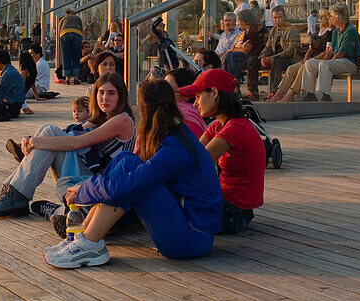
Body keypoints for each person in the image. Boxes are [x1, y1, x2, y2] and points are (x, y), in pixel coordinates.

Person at [44, 79, 221, 268]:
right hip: (188, 231)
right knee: (126, 160)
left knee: (129, 178)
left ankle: (89, 243)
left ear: (144, 110)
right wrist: (88, 187)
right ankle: (84, 236)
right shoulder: (176, 135)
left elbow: (132, 184)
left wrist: (84, 190)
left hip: (190, 240)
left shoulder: (176, 148)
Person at [0, 73, 135, 218]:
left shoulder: (122, 120)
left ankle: (44, 206)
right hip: (89, 173)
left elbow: (77, 143)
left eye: (111, 93)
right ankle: (14, 193)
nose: (105, 98)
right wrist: (31, 139)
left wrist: (34, 142)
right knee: (48, 130)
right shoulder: (101, 118)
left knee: (50, 138)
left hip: (103, 184)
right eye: (101, 93)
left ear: (120, 96)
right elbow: (69, 132)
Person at [180, 69, 265, 234]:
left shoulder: (235, 129)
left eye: (197, 97)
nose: (195, 104)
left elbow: (195, 163)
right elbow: (191, 153)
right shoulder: (219, 125)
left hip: (234, 213)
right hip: (229, 205)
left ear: (213, 93)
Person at [299, 1, 360, 102]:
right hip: (339, 61)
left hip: (350, 62)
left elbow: (341, 53)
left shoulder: (350, 31)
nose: (330, 18)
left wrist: (327, 62)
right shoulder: (336, 31)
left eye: (332, 16)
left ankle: (325, 95)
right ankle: (309, 93)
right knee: (309, 64)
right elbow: (331, 49)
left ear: (339, 17)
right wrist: (321, 61)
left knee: (325, 65)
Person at [269, 8, 332, 102]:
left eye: (323, 17)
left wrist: (311, 60)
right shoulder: (318, 32)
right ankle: (279, 93)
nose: (320, 19)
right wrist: (306, 58)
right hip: (311, 60)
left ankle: (291, 94)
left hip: (318, 61)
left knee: (303, 68)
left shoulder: (330, 32)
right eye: (320, 17)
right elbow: (310, 49)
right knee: (291, 69)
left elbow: (327, 52)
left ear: (328, 19)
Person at [254, 5, 300, 98]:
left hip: (289, 59)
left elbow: (291, 50)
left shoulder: (292, 30)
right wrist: (263, 57)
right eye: (275, 18)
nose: (277, 20)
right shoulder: (273, 30)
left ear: (284, 17)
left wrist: (271, 58)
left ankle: (275, 92)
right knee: (252, 61)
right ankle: (252, 92)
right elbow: (268, 47)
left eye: (280, 17)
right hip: (275, 58)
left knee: (277, 61)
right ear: (272, 18)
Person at [222, 8, 267, 98]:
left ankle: (235, 88)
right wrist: (234, 49)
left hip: (256, 57)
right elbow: (243, 48)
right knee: (228, 56)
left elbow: (246, 50)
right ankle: (229, 87)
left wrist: (233, 49)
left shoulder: (255, 31)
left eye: (238, 21)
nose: (238, 24)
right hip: (247, 57)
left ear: (243, 21)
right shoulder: (246, 32)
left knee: (233, 55)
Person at [164, 67, 208, 139]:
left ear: (186, 95)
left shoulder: (183, 117)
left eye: (169, 90)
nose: (164, 92)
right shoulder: (194, 115)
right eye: (163, 87)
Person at [58, 9, 84, 85]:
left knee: (66, 56)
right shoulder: (77, 18)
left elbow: (59, 29)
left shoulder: (63, 19)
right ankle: (76, 78)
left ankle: (67, 78)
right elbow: (81, 29)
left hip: (65, 34)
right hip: (77, 34)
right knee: (76, 55)